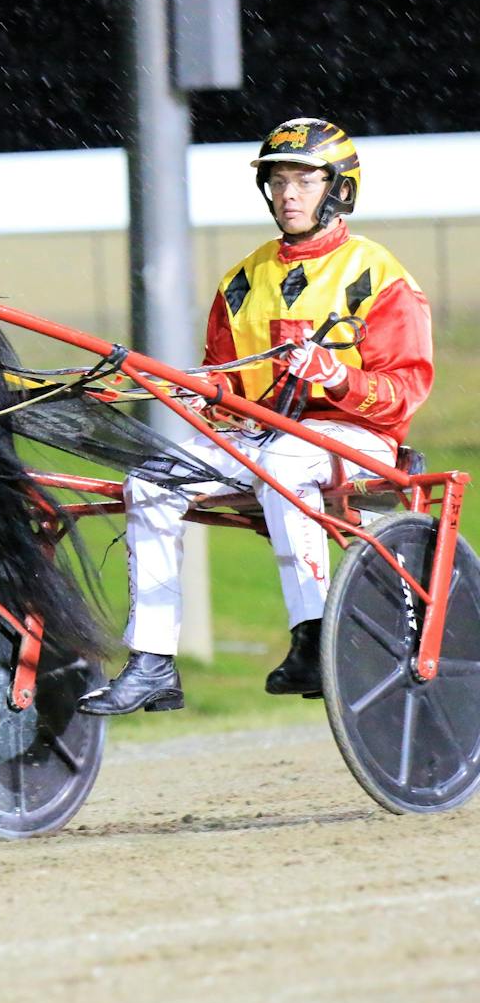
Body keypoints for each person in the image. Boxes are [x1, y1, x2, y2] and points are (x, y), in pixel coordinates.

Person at [78, 118, 435, 715]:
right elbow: (228, 376)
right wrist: (202, 390)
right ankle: (153, 660)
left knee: (284, 457)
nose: (287, 195)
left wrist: (339, 377)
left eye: (302, 181)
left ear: (339, 188)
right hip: (265, 439)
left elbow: (405, 390)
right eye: (276, 182)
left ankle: (314, 634)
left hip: (357, 442)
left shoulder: (379, 275)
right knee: (151, 484)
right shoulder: (243, 279)